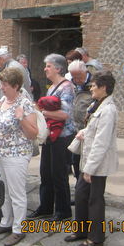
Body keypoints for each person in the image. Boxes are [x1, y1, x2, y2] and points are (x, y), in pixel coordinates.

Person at [64, 71, 118, 246]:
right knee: (80, 195)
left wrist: (90, 169)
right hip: (88, 161)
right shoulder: (97, 104)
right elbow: (93, 128)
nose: (91, 88)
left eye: (94, 85)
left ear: (103, 88)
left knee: (95, 200)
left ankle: (96, 237)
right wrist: (84, 133)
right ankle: (81, 230)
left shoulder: (108, 110)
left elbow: (102, 142)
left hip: (96, 164)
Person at [0, 68, 38, 246]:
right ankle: (6, 222)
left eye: (5, 84)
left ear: (16, 86)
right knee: (3, 190)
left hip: (16, 154)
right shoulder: (3, 100)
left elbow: (33, 134)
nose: (1, 87)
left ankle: (19, 229)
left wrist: (21, 119)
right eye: (1, 83)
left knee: (16, 192)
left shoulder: (24, 104)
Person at [28, 54, 75, 222]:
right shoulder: (52, 87)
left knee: (59, 174)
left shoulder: (66, 87)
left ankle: (63, 211)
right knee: (45, 173)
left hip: (62, 137)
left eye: (48, 66)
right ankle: (46, 207)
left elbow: (65, 114)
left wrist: (43, 112)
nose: (45, 69)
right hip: (50, 136)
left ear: (58, 68)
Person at [68, 60, 93, 180]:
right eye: (74, 77)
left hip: (88, 130)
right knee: (75, 160)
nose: (76, 79)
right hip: (76, 128)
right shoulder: (72, 83)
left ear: (85, 72)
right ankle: (79, 188)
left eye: (79, 76)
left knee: (86, 161)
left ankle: (85, 192)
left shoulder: (94, 84)